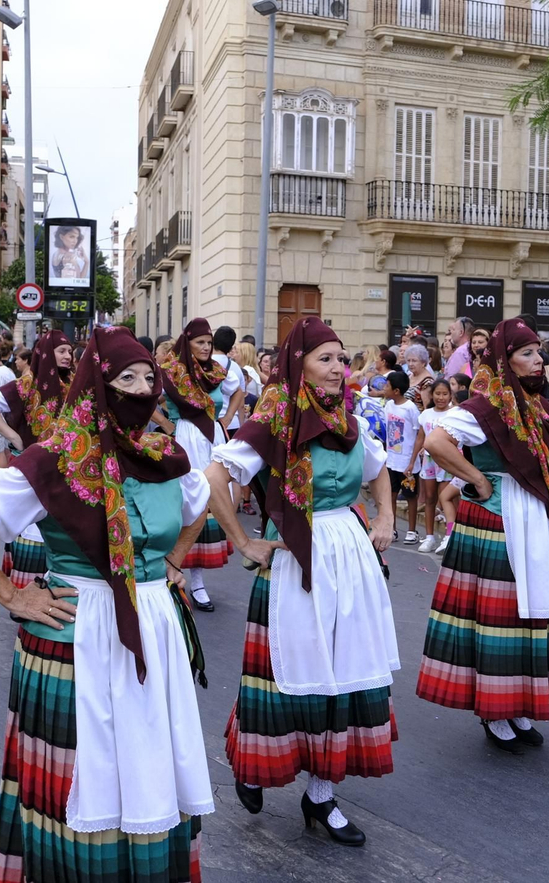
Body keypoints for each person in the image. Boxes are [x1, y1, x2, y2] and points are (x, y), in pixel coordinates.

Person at [0, 327, 215, 880]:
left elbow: (204, 501)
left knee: (147, 762)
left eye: (147, 377)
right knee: (83, 772)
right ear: (96, 384)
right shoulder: (56, 458)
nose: (140, 389)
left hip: (154, 627)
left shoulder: (165, 454)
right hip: (77, 630)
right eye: (125, 378)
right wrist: (13, 594)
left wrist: (173, 564)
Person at [202, 316, 396, 846]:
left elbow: (378, 469)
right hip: (293, 556)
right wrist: (244, 541)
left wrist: (384, 518)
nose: (338, 369)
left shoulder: (351, 418)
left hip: (349, 554)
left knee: (344, 674)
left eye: (341, 358)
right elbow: (215, 477)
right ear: (298, 364)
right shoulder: (273, 421)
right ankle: (253, 764)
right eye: (326, 359)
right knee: (281, 675)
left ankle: (321, 796)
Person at [419, 318, 549, 753]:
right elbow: (436, 442)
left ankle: (519, 704)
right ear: (504, 360)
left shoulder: (538, 404)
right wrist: (479, 479)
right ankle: (495, 710)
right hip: (500, 519)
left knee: (535, 612)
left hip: (538, 514)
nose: (538, 360)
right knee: (502, 617)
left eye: (538, 352)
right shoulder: (483, 407)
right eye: (527, 354)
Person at [0, 329, 75, 590]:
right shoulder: (27, 383)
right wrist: (14, 436)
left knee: (61, 529)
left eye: (70, 351)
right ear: (47, 353)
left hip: (68, 470)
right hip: (33, 470)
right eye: (62, 351)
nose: (68, 356)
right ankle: (25, 594)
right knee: (33, 527)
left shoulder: (75, 382)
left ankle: (56, 589)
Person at [155, 318, 233, 610]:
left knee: (208, 504)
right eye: (200, 342)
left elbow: (235, 394)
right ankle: (168, 573)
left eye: (209, 342)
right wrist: (166, 424)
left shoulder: (215, 371)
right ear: (187, 342)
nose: (205, 347)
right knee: (183, 503)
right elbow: (146, 398)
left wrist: (223, 422)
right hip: (185, 437)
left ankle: (198, 582)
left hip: (211, 438)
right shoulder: (171, 369)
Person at [416, 377, 459, 552]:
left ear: (450, 395)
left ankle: (449, 536)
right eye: (437, 394)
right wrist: (412, 462)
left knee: (446, 496)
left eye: (445, 394)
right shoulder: (425, 414)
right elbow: (420, 438)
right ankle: (429, 537)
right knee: (430, 498)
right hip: (428, 461)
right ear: (432, 395)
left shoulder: (455, 413)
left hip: (447, 460)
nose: (441, 397)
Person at [380, 368, 422, 543]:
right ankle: (393, 528)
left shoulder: (410, 408)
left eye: (387, 386)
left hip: (406, 462)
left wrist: (412, 461)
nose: (384, 388)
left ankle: (412, 531)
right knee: (391, 494)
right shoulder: (388, 405)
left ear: (396, 390)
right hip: (391, 461)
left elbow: (419, 433)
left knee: (411, 496)